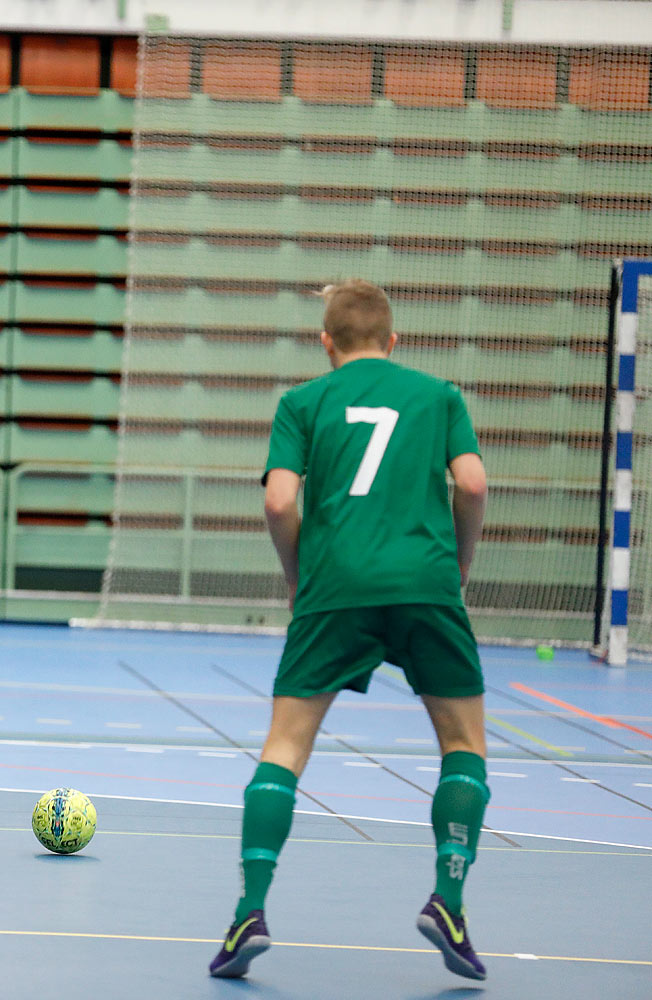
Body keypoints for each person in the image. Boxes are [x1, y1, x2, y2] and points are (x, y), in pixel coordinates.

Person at [209, 279, 491, 981]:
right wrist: (456, 568)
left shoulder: (303, 402)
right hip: (426, 582)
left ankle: (250, 909)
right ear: (393, 342)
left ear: (326, 342)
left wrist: (299, 575)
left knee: (286, 745)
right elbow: (475, 484)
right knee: (463, 743)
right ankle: (448, 900)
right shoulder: (439, 396)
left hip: (334, 588)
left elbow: (279, 501)